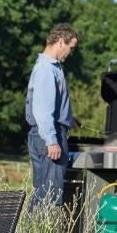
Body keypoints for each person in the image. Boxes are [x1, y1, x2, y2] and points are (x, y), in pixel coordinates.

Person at [25, 23, 79, 210]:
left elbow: (47, 104)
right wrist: (51, 140)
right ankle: (40, 230)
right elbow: (42, 109)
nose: (71, 52)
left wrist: (69, 117)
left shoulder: (48, 67)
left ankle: (34, 229)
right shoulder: (47, 69)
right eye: (71, 47)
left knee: (42, 194)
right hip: (49, 135)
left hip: (45, 132)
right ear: (61, 42)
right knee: (49, 196)